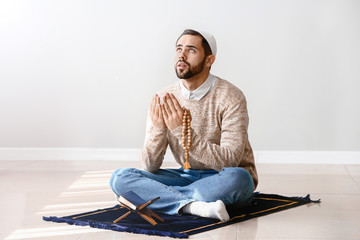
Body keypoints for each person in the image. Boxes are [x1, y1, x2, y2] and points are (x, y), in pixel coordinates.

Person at [110, 29, 258, 222]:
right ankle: (194, 206)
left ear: (209, 60)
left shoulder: (231, 97)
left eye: (191, 50)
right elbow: (149, 165)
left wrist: (182, 130)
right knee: (120, 178)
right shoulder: (164, 97)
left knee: (240, 179)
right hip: (184, 176)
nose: (181, 55)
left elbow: (230, 161)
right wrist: (158, 129)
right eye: (179, 48)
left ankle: (159, 197)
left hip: (222, 177)